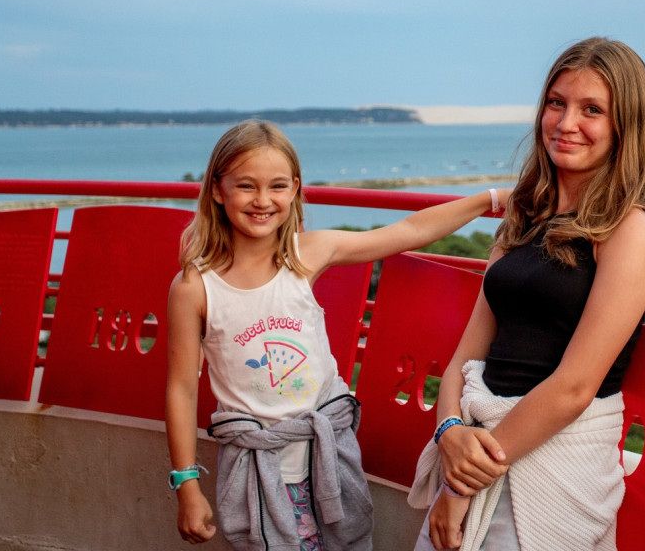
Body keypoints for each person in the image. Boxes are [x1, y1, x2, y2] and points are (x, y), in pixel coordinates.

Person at [165, 119, 508, 550]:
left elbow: (408, 231)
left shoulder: (306, 255)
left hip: (329, 455)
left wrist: (490, 199)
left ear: (294, 189)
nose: (262, 200)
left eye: (277, 186)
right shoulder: (195, 288)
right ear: (218, 190)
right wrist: (187, 485)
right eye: (246, 186)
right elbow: (181, 389)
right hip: (260, 470)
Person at [408, 37, 645, 550]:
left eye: (592, 110)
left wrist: (463, 483)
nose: (566, 122)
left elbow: (575, 387)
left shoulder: (631, 230)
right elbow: (467, 358)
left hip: (543, 463)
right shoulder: (526, 216)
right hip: (477, 446)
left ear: (626, 125)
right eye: (557, 103)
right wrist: (448, 431)